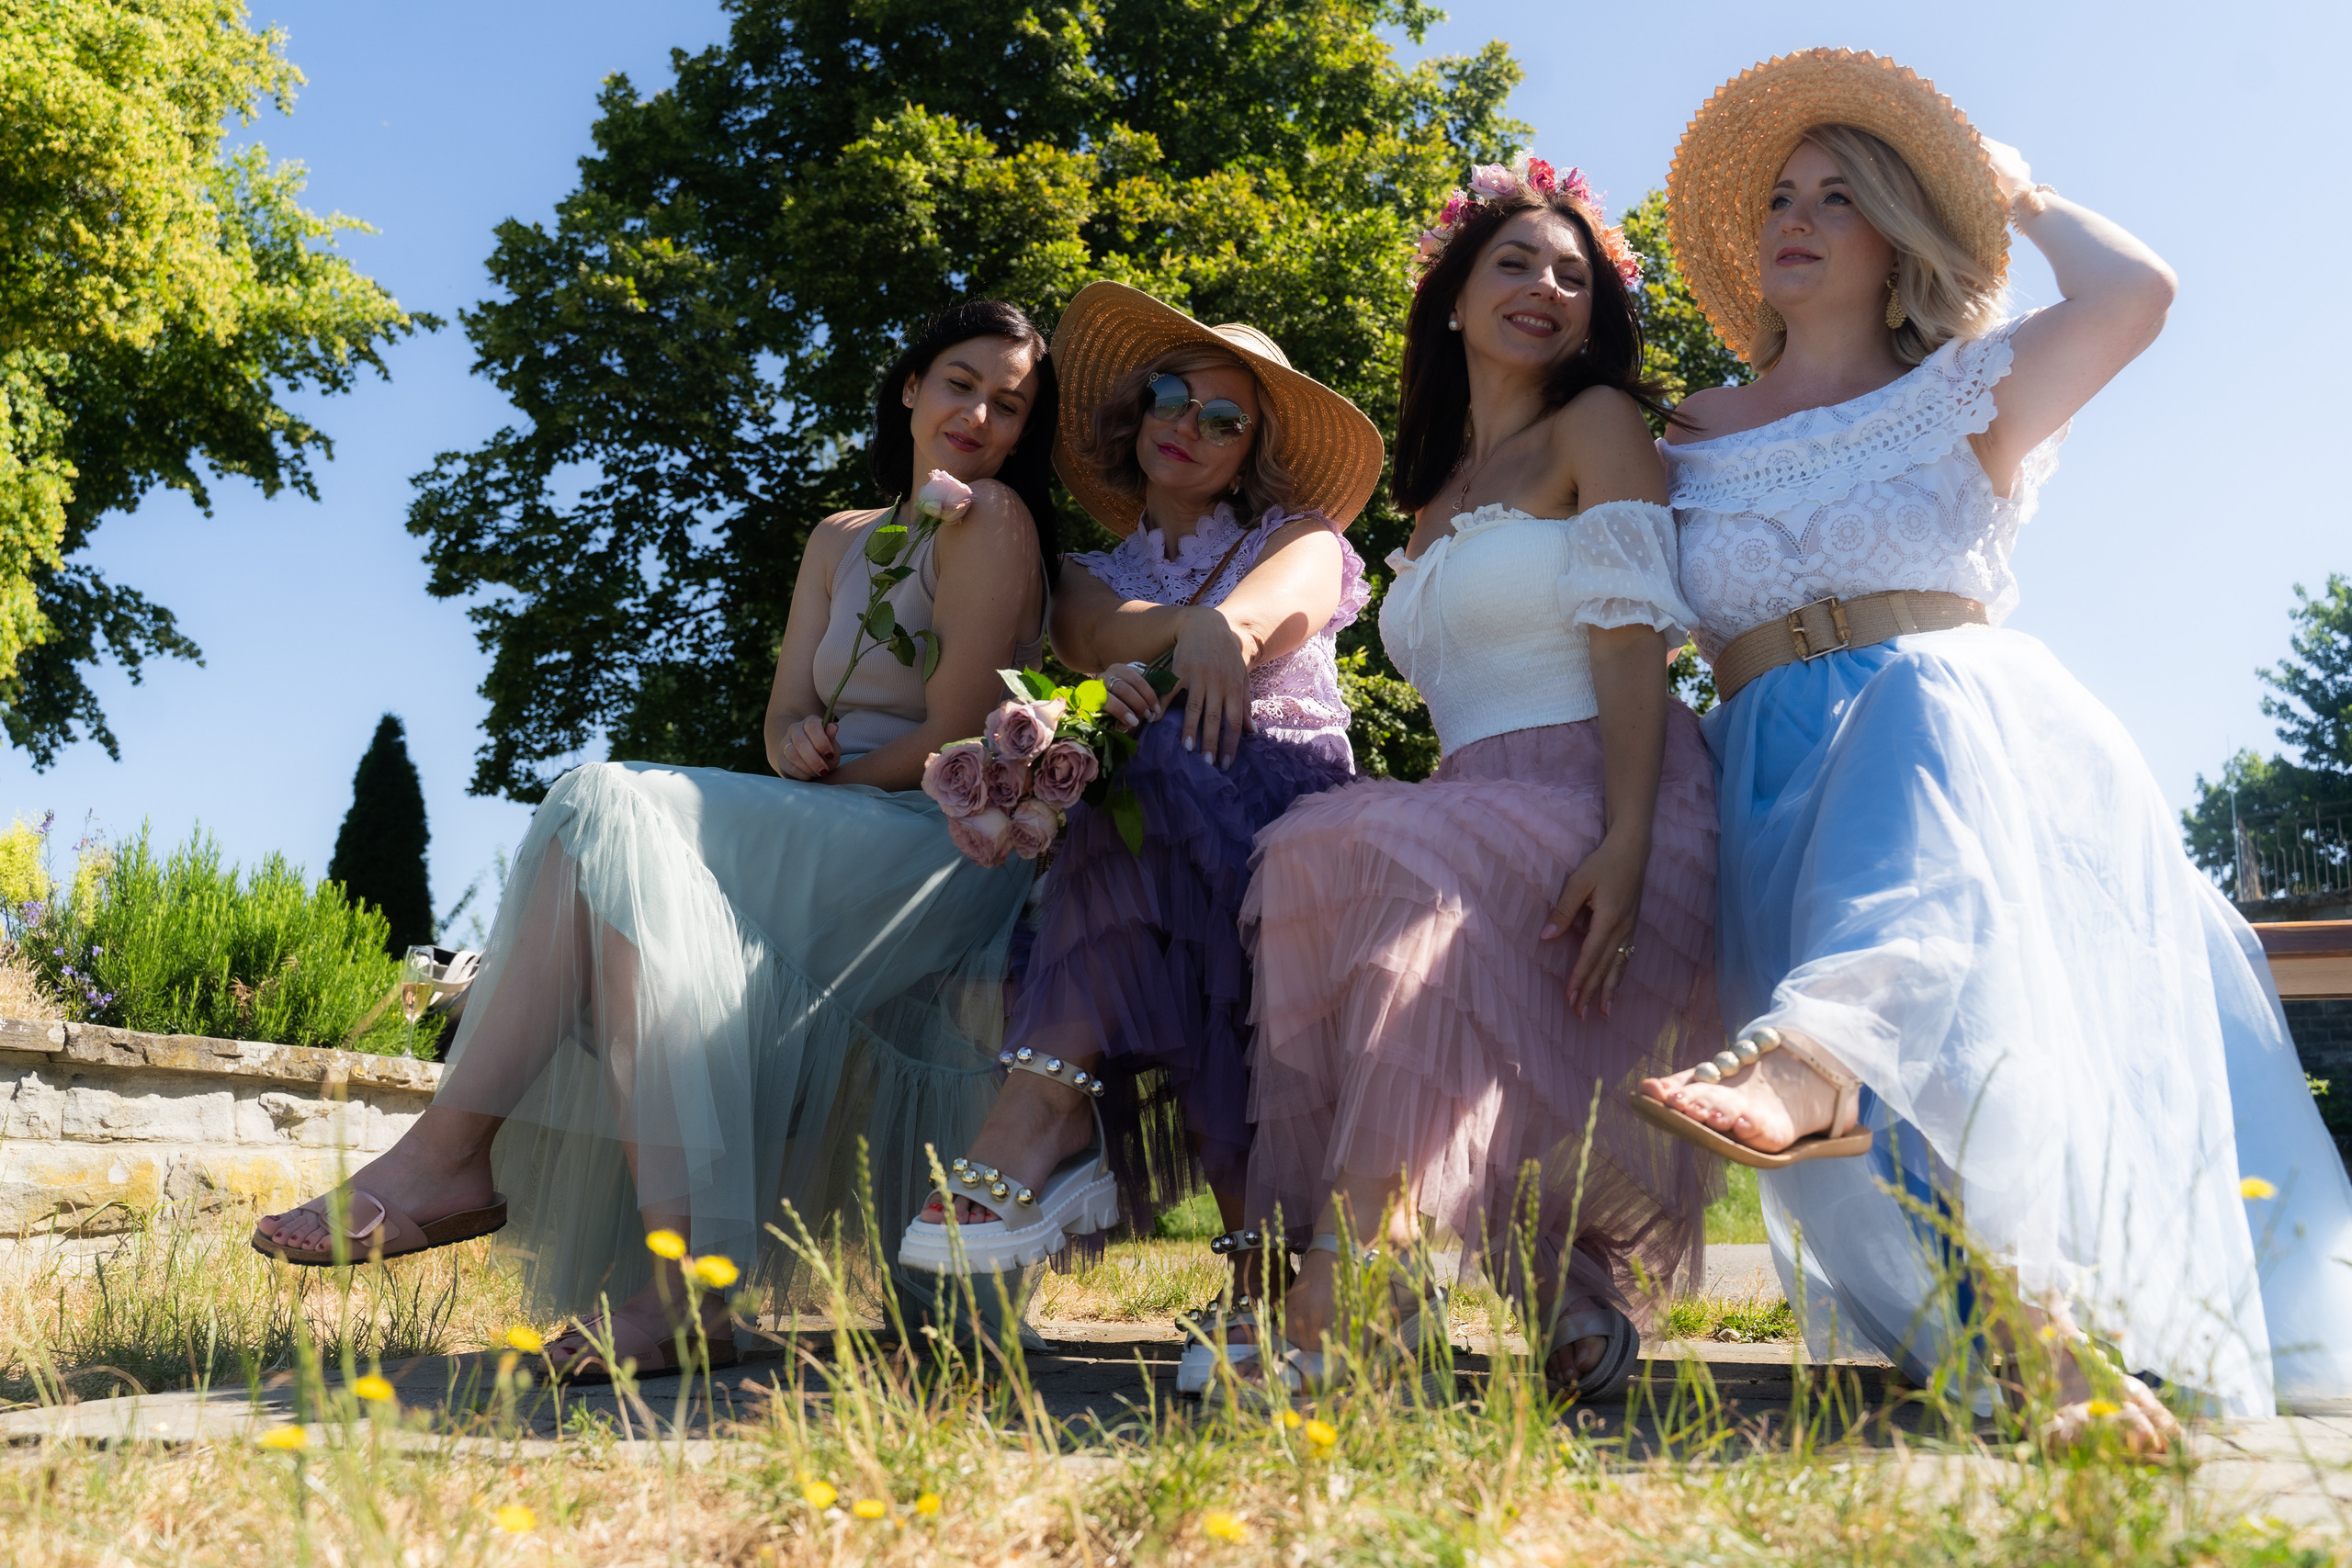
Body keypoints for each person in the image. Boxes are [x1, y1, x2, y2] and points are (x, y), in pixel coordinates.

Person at [1635, 49, 2352, 1439]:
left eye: (1839, 196)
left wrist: (2014, 191)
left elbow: (2137, 295)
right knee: (1900, 1025)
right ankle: (2008, 1329)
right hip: (1774, 782)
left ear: (1898, 234)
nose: (1794, 214)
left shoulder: (1970, 387)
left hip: (1973, 753)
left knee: (1922, 715)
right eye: (1781, 193)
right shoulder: (1686, 435)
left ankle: (2009, 1294)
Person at [254, 300, 1059, 1378]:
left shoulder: (991, 519)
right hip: (831, 815)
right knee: (615, 862)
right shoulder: (837, 539)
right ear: (910, 387)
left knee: (607, 803)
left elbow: (955, 734)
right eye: (960, 382)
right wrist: (798, 746)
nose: (979, 414)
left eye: (1009, 405)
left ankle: (451, 1161)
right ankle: (688, 1294)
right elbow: (780, 718)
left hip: (933, 844)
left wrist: (837, 771)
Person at [1220, 155, 1722, 1397]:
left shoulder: (1594, 428)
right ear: (1453, 295)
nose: (1547, 286)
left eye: (1575, 274)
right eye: (1516, 262)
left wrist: (1626, 835)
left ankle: (1340, 1307)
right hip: (1472, 794)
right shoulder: (1429, 493)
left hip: (1613, 787)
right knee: (1319, 854)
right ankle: (1557, 1290)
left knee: (1399, 887)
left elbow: (1630, 633)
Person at [898, 283, 1383, 1359]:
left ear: (1252, 448)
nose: (1188, 427)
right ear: (1136, 411)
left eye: (1225, 419)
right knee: (1149, 803)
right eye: (1173, 396)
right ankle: (1254, 1283)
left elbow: (1268, 613)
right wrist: (1184, 633)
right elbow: (1091, 630)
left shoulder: (1299, 535)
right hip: (1158, 832)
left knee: (1155, 770)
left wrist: (1214, 633)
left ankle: (1036, 1119)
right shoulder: (1084, 570)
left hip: (1289, 814)